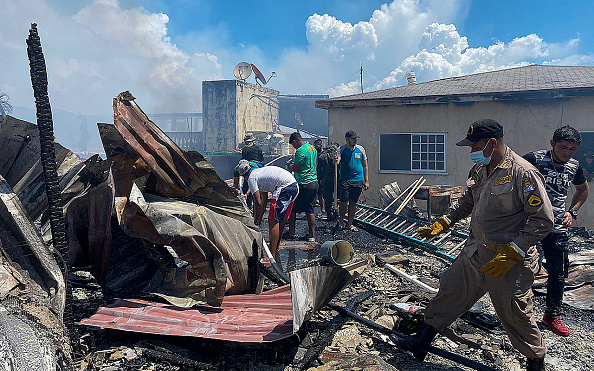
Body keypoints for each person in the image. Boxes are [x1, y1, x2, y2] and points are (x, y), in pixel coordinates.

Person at [403, 119, 553, 371]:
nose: (471, 151)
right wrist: (444, 222)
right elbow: (468, 201)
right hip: (476, 250)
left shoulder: (522, 173)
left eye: (475, 146)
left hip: (509, 261)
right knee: (450, 291)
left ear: (492, 143)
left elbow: (543, 219)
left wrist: (515, 250)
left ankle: (535, 361)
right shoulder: (479, 171)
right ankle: (420, 341)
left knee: (516, 314)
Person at [523, 125, 590, 337]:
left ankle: (552, 315)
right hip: (530, 224)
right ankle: (517, 315)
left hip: (557, 227)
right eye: (563, 147)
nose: (567, 153)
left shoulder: (574, 166)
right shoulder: (534, 159)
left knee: (558, 273)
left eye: (572, 149)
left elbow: (582, 189)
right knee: (523, 269)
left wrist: (573, 212)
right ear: (552, 144)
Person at [240, 164, 298, 258]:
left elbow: (258, 203)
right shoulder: (260, 173)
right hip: (294, 186)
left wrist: (256, 221)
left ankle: (271, 255)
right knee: (281, 218)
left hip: (284, 188)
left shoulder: (251, 178)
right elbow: (263, 201)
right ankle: (276, 247)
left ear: (244, 176)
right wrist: (258, 220)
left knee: (273, 220)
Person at [286, 132, 318, 242]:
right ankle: (311, 235)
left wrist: (290, 165)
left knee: (292, 208)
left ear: (295, 141)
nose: (293, 147)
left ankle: (292, 233)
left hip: (304, 183)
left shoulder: (300, 151)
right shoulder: (311, 148)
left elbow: (296, 168)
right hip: (314, 182)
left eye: (292, 144)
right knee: (310, 209)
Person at [335, 130, 369, 231]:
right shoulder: (341, 149)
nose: (354, 140)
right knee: (343, 202)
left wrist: (366, 180)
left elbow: (365, 166)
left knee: (353, 202)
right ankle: (341, 220)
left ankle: (349, 224)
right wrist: (336, 160)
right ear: (347, 139)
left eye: (355, 138)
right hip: (345, 179)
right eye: (353, 138)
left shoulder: (360, 149)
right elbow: (337, 161)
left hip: (358, 179)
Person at [317, 142, 339, 220]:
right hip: (336, 178)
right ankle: (336, 212)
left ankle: (329, 213)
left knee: (328, 197)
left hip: (326, 179)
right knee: (338, 196)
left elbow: (319, 169)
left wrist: (320, 179)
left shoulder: (322, 156)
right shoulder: (336, 155)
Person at [314, 138, 325, 214]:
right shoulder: (315, 155)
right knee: (319, 194)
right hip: (316, 175)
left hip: (324, 176)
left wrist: (323, 177)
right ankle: (322, 209)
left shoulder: (324, 155)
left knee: (324, 194)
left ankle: (325, 209)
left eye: (317, 146)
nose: (315, 147)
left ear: (320, 146)